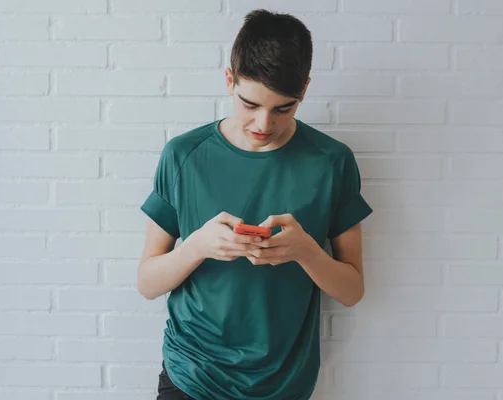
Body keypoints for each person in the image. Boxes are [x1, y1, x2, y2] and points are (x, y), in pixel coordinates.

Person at [138, 9, 373, 400]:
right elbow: (147, 284)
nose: (264, 123)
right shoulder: (184, 155)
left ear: (305, 90)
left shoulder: (332, 162)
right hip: (191, 375)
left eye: (284, 107)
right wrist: (197, 246)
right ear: (230, 80)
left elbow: (352, 291)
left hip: (282, 385)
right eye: (250, 104)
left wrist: (306, 253)